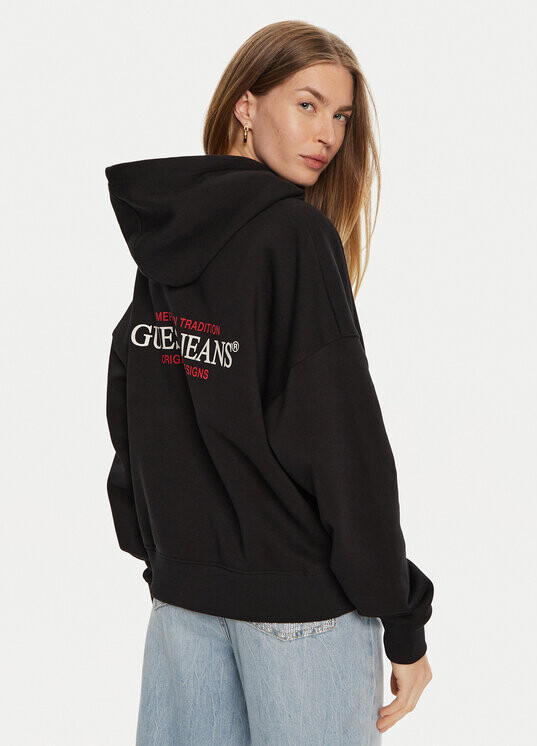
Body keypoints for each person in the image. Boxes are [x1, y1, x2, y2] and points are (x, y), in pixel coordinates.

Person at [104, 19, 434, 746]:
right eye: (307, 105)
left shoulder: (167, 239)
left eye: (341, 117)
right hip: (299, 608)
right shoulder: (295, 236)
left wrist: (163, 550)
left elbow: (131, 401)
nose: (327, 135)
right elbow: (342, 443)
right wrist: (403, 617)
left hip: (184, 601)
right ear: (246, 107)